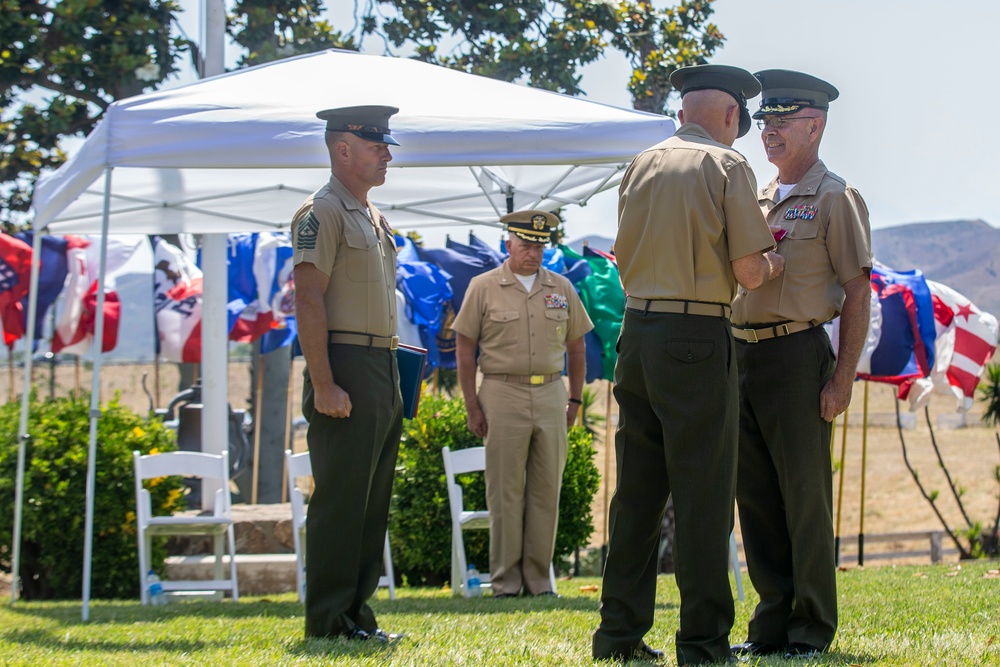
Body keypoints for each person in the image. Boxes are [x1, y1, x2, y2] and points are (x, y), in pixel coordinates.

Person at [592, 64, 784, 665]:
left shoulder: (640, 164)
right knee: (703, 495)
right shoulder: (728, 166)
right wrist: (779, 263)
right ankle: (702, 643)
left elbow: (620, 260)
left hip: (639, 333)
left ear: (682, 112)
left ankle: (618, 637)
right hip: (697, 335)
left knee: (638, 496)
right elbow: (752, 271)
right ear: (731, 116)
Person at [729, 70, 872, 661]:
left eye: (782, 122)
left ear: (815, 126)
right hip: (743, 356)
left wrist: (842, 379)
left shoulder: (836, 196)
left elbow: (858, 290)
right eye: (764, 122)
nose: (768, 132)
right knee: (755, 497)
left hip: (796, 355)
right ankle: (770, 624)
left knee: (803, 498)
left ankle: (810, 626)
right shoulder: (756, 197)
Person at [292, 105, 404, 643]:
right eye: (375, 145)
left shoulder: (372, 214)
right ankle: (329, 621)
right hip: (345, 365)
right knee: (341, 499)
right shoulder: (322, 211)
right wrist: (323, 383)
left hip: (381, 364)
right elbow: (308, 297)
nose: (386, 154)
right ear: (342, 150)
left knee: (371, 498)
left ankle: (356, 614)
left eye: (385, 145)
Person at [451, 210, 593, 598]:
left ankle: (539, 580)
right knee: (505, 492)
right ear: (508, 244)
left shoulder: (561, 287)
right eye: (526, 245)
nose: (533, 253)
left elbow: (576, 345)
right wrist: (472, 405)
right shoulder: (483, 287)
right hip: (501, 393)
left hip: (551, 393)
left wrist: (575, 399)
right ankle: (505, 581)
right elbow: (465, 348)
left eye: (540, 245)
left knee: (547, 490)